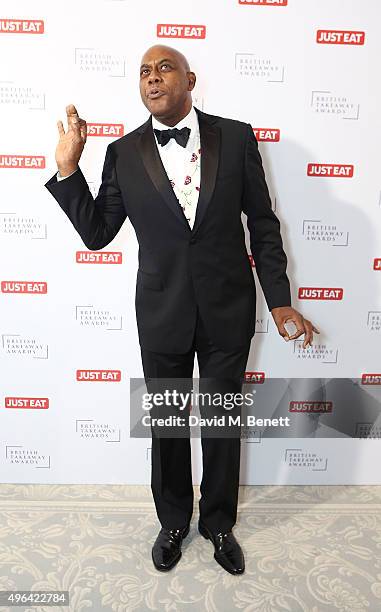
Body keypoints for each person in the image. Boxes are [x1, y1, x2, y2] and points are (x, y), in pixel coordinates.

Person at [45, 44, 319, 575]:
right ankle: (173, 520)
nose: (153, 78)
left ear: (191, 79)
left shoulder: (237, 137)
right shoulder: (123, 153)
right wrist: (68, 169)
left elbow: (262, 226)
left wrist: (280, 300)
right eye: (144, 72)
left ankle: (218, 523)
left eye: (164, 68)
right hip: (161, 311)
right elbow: (98, 234)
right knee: (167, 423)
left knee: (220, 423)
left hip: (227, 309)